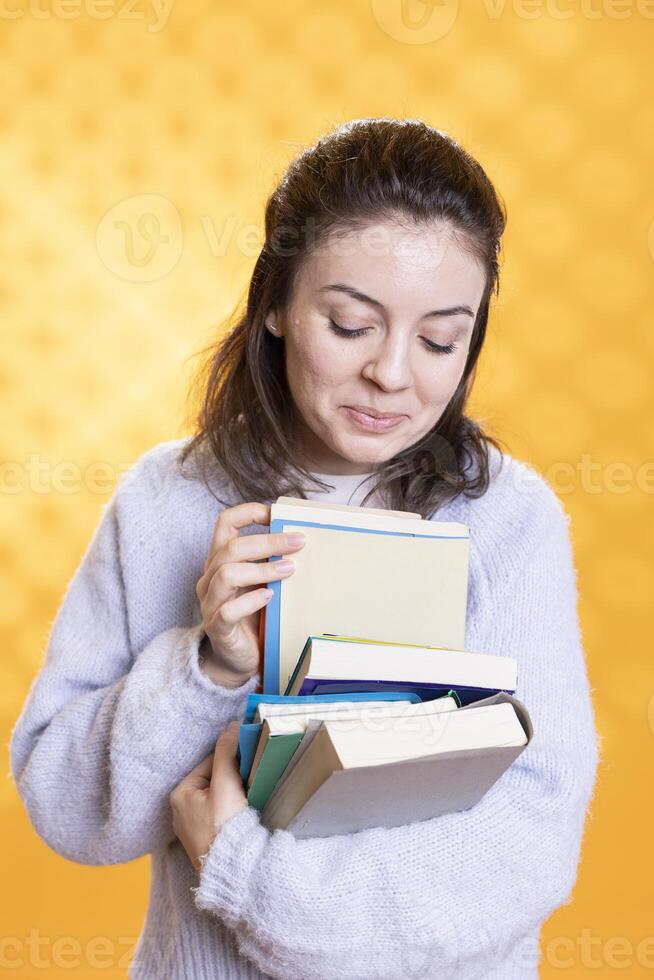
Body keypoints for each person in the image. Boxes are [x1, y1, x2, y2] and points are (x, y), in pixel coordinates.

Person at [10, 118, 599, 980]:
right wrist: (206, 670)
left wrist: (252, 877)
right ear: (278, 305)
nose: (394, 373)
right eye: (352, 324)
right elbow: (67, 812)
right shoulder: (165, 500)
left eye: (441, 339)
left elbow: (529, 844)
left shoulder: (508, 520)